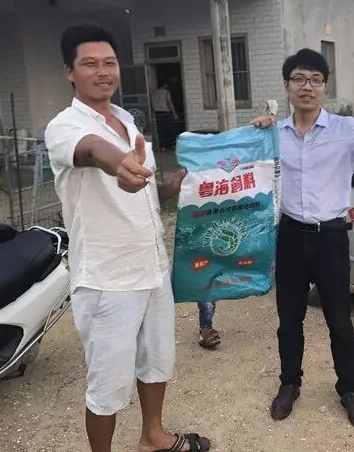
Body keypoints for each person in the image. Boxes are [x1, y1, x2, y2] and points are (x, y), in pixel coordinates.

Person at [45, 24, 210, 452]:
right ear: (70, 72)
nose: (103, 72)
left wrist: (167, 188)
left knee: (157, 359)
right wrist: (118, 162)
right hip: (108, 278)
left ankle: (152, 436)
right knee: (108, 382)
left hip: (151, 267)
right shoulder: (64, 127)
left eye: (110, 63)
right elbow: (92, 150)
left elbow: (138, 186)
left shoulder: (126, 119)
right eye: (90, 64)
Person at [252, 48, 354, 429]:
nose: (306, 87)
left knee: (340, 320)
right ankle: (289, 384)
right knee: (289, 318)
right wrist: (256, 129)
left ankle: (349, 389)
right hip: (290, 236)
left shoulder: (347, 130)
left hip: (331, 238)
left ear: (324, 86)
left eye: (315, 79)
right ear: (287, 86)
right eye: (298, 79)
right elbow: (243, 160)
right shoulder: (273, 135)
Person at [151, 82, 178, 150]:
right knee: (169, 130)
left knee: (160, 131)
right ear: (165, 85)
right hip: (165, 112)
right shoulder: (166, 92)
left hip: (157, 113)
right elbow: (170, 103)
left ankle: (162, 146)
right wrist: (174, 113)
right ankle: (171, 145)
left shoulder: (153, 93)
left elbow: (152, 104)